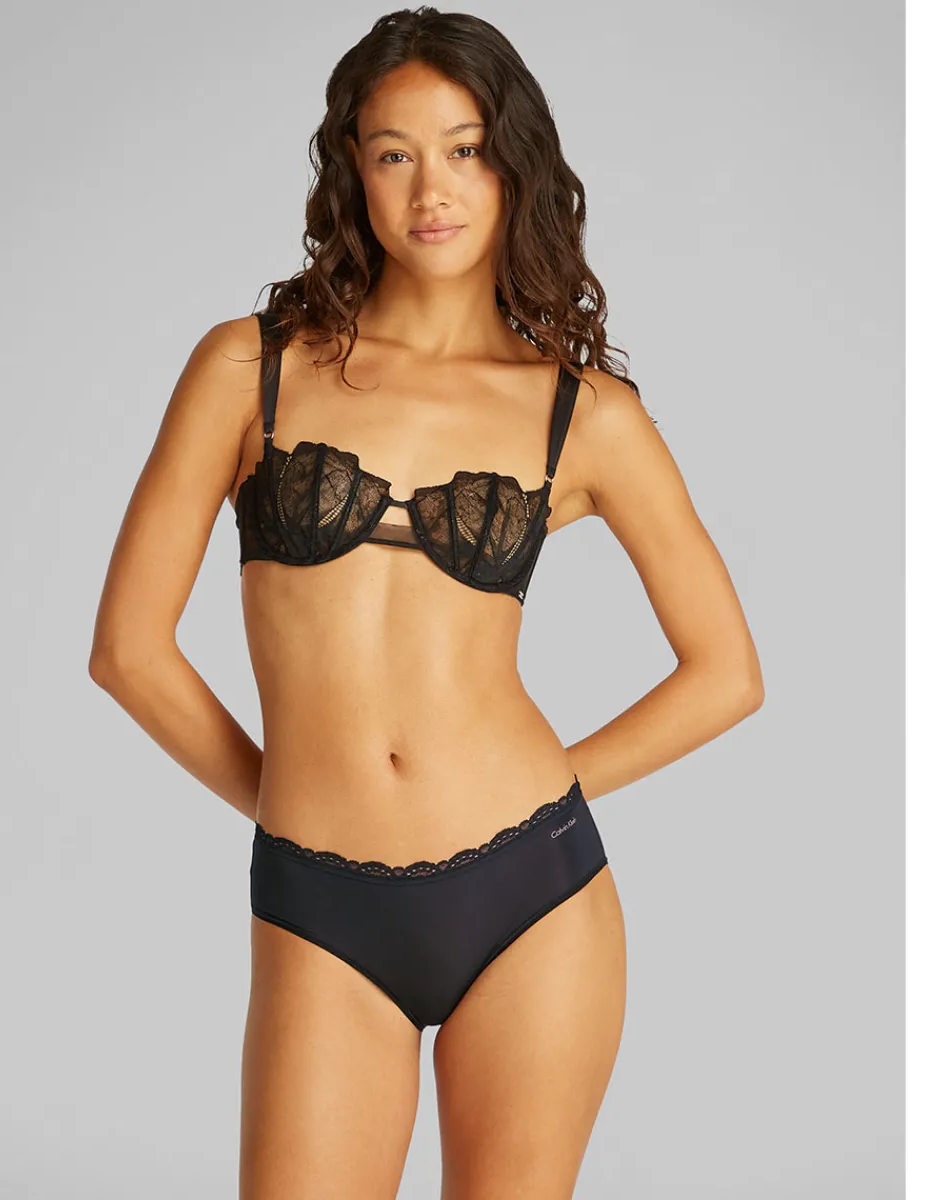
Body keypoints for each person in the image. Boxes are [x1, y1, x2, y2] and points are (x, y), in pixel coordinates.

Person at [89, 8, 764, 1197]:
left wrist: (535, 796)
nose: (430, 189)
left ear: (514, 166)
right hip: (317, 895)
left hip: (531, 896)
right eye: (394, 153)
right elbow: (128, 652)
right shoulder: (250, 367)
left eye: (464, 149)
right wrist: (291, 799)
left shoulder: (581, 412)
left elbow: (727, 674)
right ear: (352, 169)